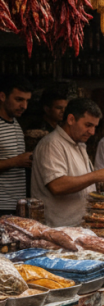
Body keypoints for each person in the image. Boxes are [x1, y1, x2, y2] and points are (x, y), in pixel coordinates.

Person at [31, 98, 104, 227]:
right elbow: (57, 186)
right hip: (58, 229)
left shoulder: (79, 144)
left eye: (95, 126)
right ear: (71, 119)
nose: (92, 132)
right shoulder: (52, 144)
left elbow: (82, 183)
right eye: (88, 125)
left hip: (79, 228)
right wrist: (96, 176)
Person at [0, 76, 32, 216]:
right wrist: (16, 161)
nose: (24, 106)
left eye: (27, 101)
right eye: (19, 99)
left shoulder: (15, 123)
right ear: (2, 96)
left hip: (17, 204)